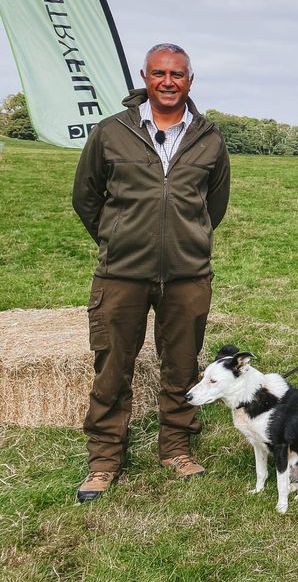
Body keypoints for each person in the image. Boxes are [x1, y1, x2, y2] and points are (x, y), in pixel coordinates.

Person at [71, 43, 231, 503]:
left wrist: (185, 240)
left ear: (190, 80)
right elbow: (86, 197)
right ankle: (104, 460)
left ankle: (176, 447)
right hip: (122, 272)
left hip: (187, 274)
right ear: (145, 76)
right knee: (112, 366)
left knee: (181, 365)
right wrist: (118, 238)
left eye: (176, 74)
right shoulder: (110, 133)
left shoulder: (209, 138)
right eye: (158, 73)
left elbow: (212, 206)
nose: (167, 81)